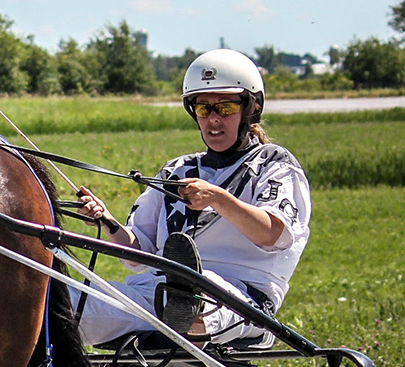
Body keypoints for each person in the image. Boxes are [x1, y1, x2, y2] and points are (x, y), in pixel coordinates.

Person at [71, 48, 311, 351]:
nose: (212, 119)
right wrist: (106, 222)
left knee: (196, 299)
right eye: (202, 108)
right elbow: (136, 254)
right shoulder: (178, 170)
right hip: (154, 295)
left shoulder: (273, 164)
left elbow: (274, 234)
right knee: (54, 304)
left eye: (225, 107)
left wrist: (218, 199)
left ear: (251, 108)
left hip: (241, 298)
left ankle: (188, 301)